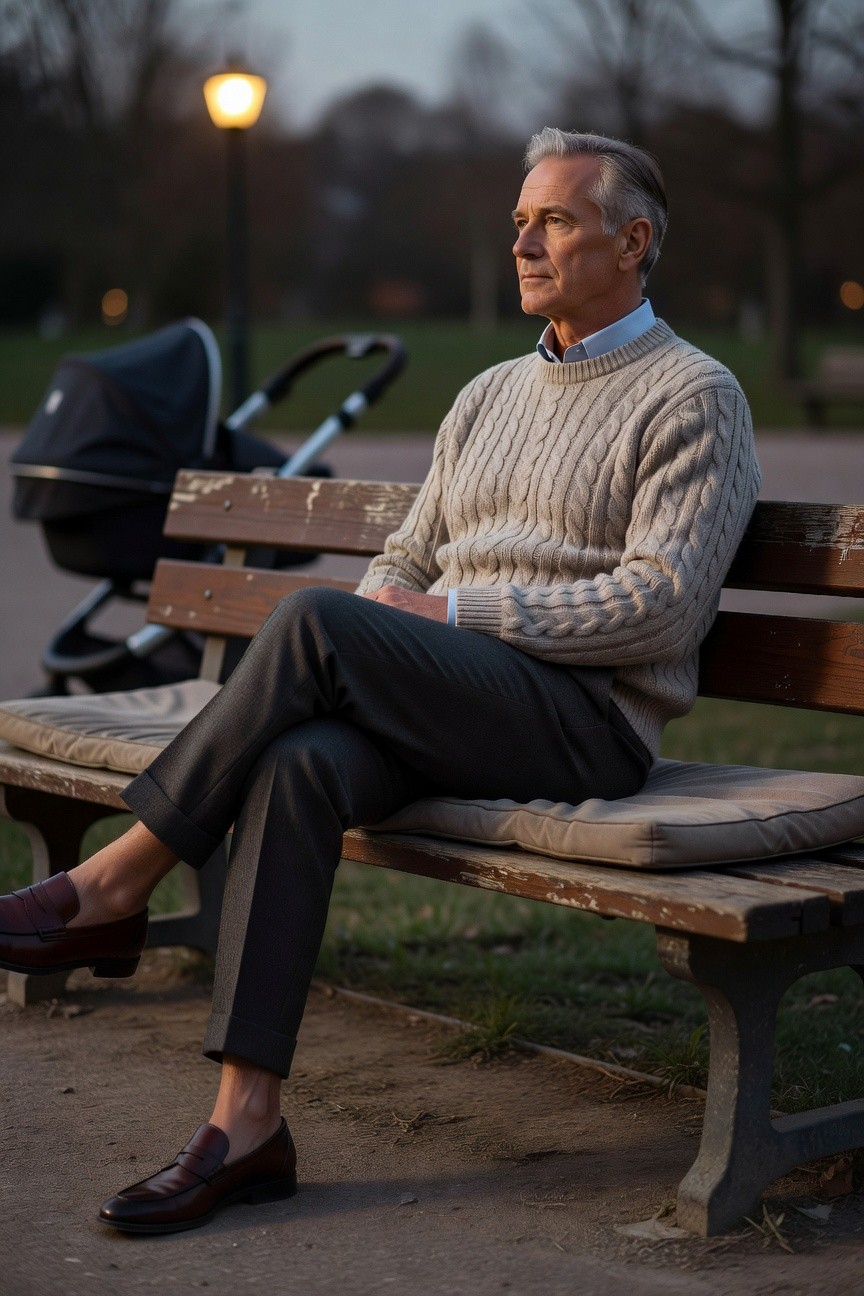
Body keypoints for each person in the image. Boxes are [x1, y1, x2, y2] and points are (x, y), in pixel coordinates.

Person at [0, 127, 760, 1234]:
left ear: (634, 240)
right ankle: (245, 1121)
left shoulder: (696, 395)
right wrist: (410, 613)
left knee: (315, 622)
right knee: (303, 762)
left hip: (584, 720)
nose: (524, 242)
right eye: (518, 221)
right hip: (452, 696)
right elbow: (403, 558)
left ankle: (118, 881)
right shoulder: (490, 393)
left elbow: (664, 604)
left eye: (553, 220)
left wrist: (452, 613)